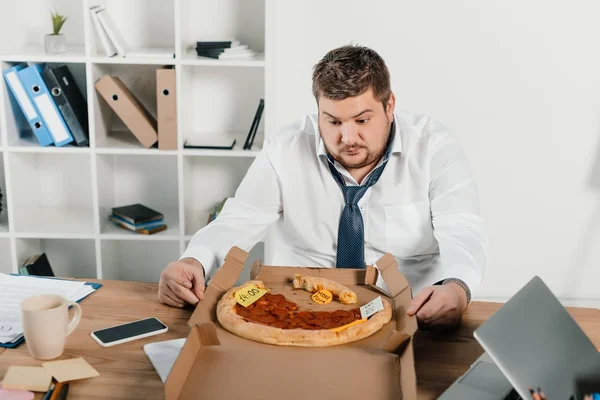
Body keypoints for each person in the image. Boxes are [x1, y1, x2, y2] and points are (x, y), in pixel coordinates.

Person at [158, 44, 487, 331]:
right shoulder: (285, 147)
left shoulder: (434, 146)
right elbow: (239, 219)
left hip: (410, 312)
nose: (347, 139)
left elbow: (462, 228)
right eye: (332, 121)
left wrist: (457, 288)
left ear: (390, 106)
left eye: (361, 120)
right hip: (296, 313)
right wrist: (193, 261)